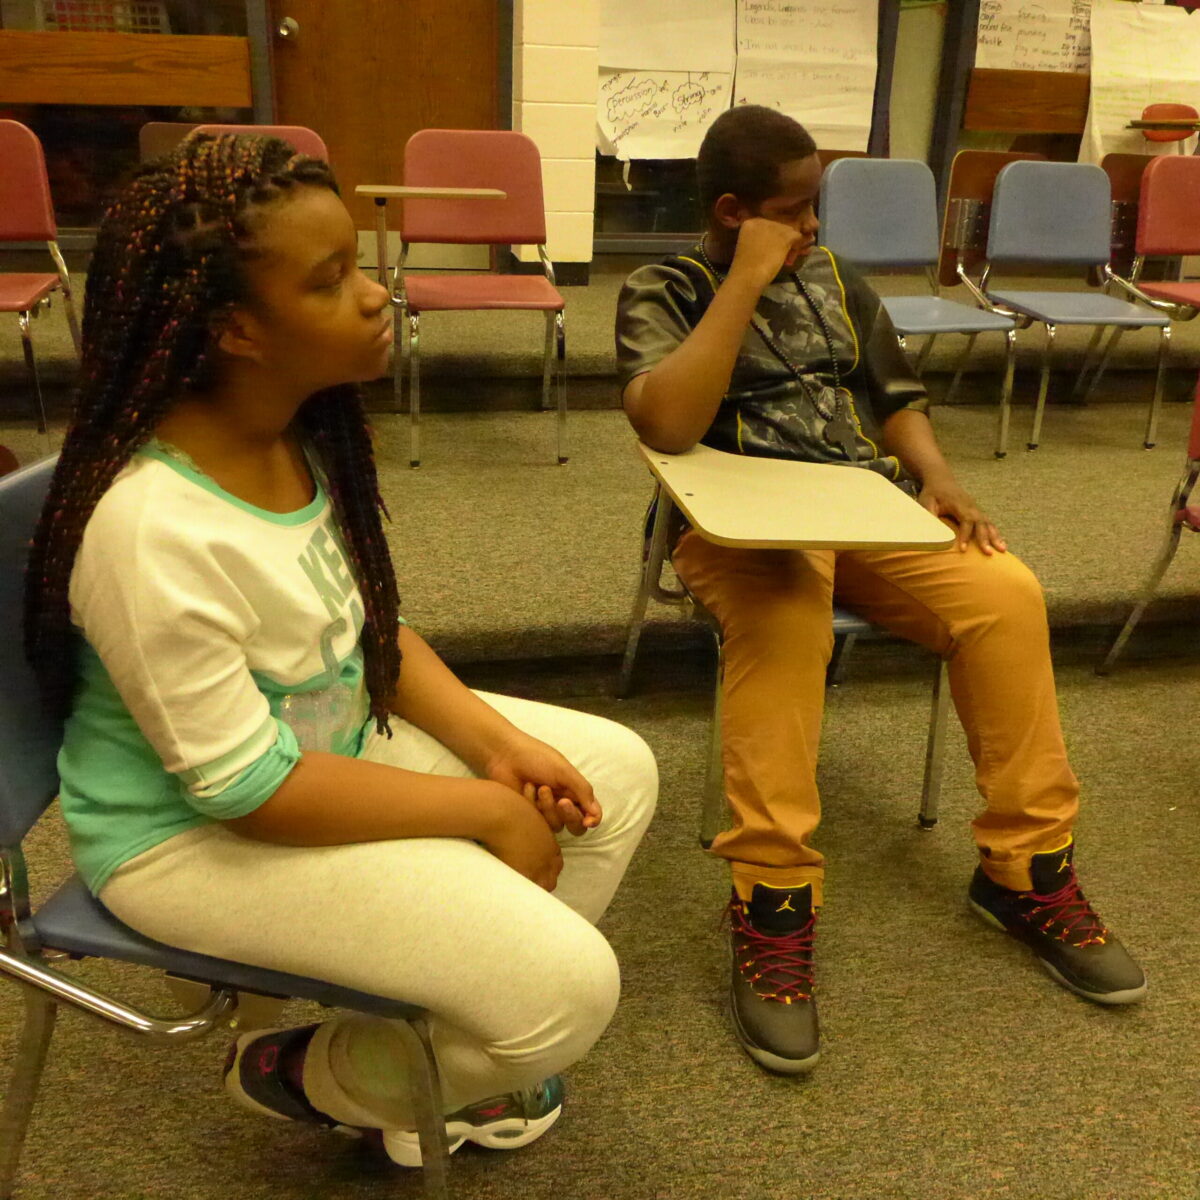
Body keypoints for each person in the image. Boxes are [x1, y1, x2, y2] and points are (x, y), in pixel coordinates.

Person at [24, 132, 657, 1166]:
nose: (374, 296)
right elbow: (247, 791)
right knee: (568, 992)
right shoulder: (151, 530)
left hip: (323, 755)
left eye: (359, 264)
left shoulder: (293, 432)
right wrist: (485, 810)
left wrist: (496, 747)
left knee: (613, 775)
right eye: (329, 282)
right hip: (189, 841)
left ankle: (436, 1039)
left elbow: (370, 632)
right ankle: (306, 1072)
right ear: (236, 329)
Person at [615, 105, 1144, 1077]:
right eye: (794, 210)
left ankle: (1025, 869)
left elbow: (897, 400)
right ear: (732, 212)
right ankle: (772, 900)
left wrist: (937, 476)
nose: (814, 226)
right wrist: (746, 280)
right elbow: (669, 423)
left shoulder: (836, 278)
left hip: (859, 505)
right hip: (737, 526)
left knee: (1006, 595)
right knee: (786, 624)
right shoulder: (666, 288)